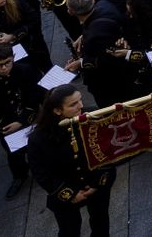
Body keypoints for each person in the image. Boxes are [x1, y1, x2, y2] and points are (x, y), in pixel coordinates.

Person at [27, 84, 117, 237]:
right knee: (69, 230)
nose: (81, 106)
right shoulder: (39, 139)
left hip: (96, 182)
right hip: (66, 190)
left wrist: (96, 183)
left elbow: (109, 150)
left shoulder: (92, 116)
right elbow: (41, 173)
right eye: (73, 104)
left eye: (80, 100)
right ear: (57, 110)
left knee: (101, 221)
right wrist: (70, 194)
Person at [0, 41, 45, 200]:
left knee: (39, 145)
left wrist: (22, 121)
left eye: (7, 63)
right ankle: (20, 176)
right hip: (7, 124)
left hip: (31, 118)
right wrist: (1, 125)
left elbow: (36, 95)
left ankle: (44, 168)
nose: (4, 68)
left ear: (13, 58)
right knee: (14, 154)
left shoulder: (26, 70)